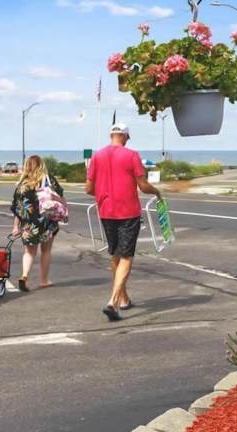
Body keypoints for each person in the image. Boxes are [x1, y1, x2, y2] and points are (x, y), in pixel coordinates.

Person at [86, 123, 162, 321]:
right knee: (126, 256)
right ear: (125, 136)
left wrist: (104, 195)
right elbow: (143, 185)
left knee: (115, 255)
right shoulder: (132, 155)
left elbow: (88, 188)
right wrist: (157, 192)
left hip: (106, 211)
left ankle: (123, 299)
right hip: (128, 211)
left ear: (111, 135)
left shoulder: (97, 156)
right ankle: (112, 302)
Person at [10, 155, 65, 292]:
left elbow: (18, 209)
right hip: (47, 221)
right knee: (46, 251)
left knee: (29, 252)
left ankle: (24, 276)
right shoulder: (49, 180)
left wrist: (15, 226)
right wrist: (57, 200)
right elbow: (62, 199)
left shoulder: (22, 185)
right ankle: (44, 280)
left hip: (29, 224)